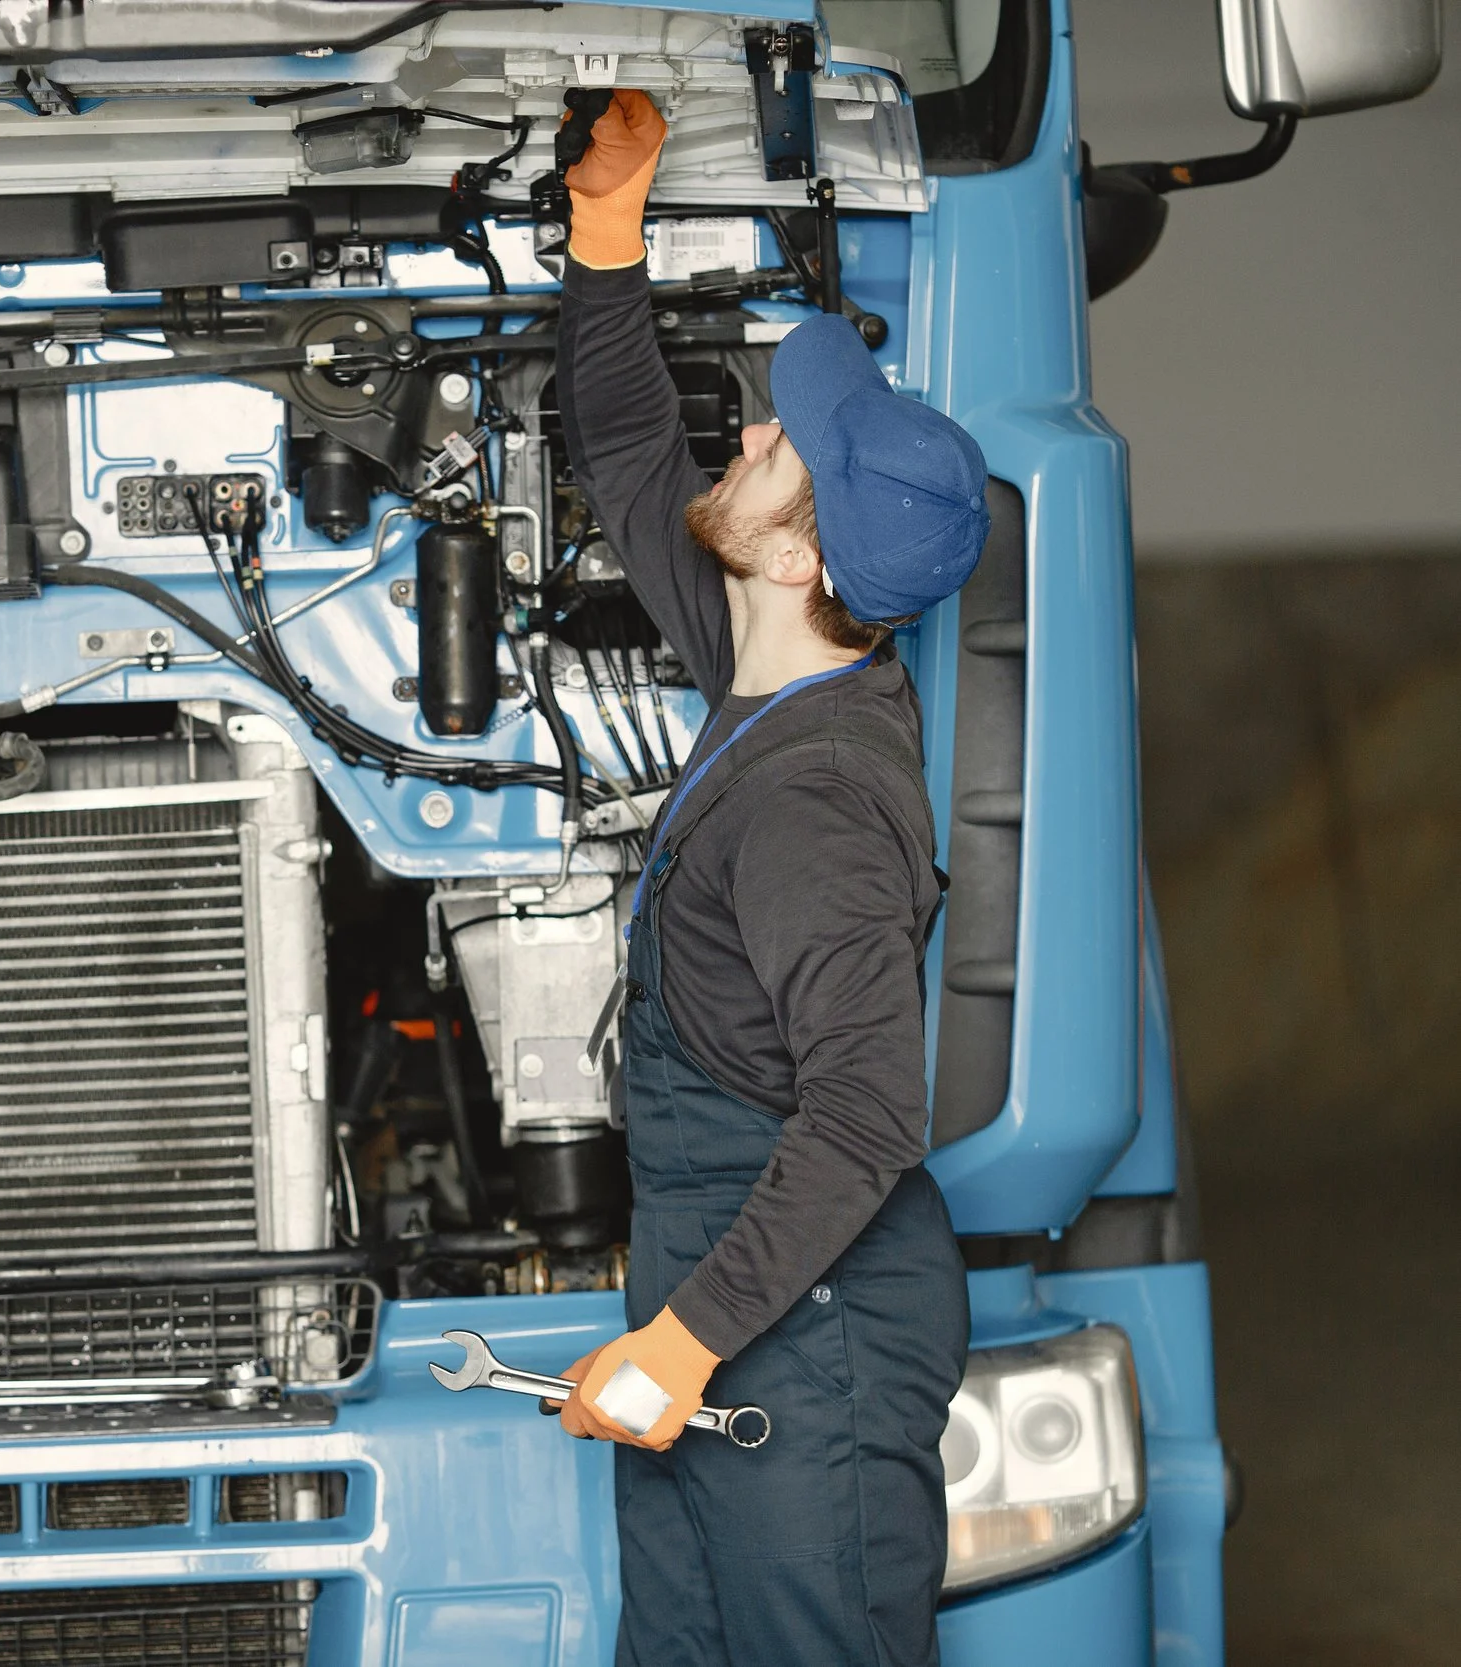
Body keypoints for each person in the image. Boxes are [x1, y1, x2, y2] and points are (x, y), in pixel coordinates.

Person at [550, 91, 990, 1666]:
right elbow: (626, 446)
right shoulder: (768, 669)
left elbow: (872, 1108)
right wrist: (609, 228)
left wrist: (683, 1340)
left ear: (802, 557)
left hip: (807, 1339)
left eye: (777, 443)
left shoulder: (811, 795)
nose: (744, 429)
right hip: (727, 1295)